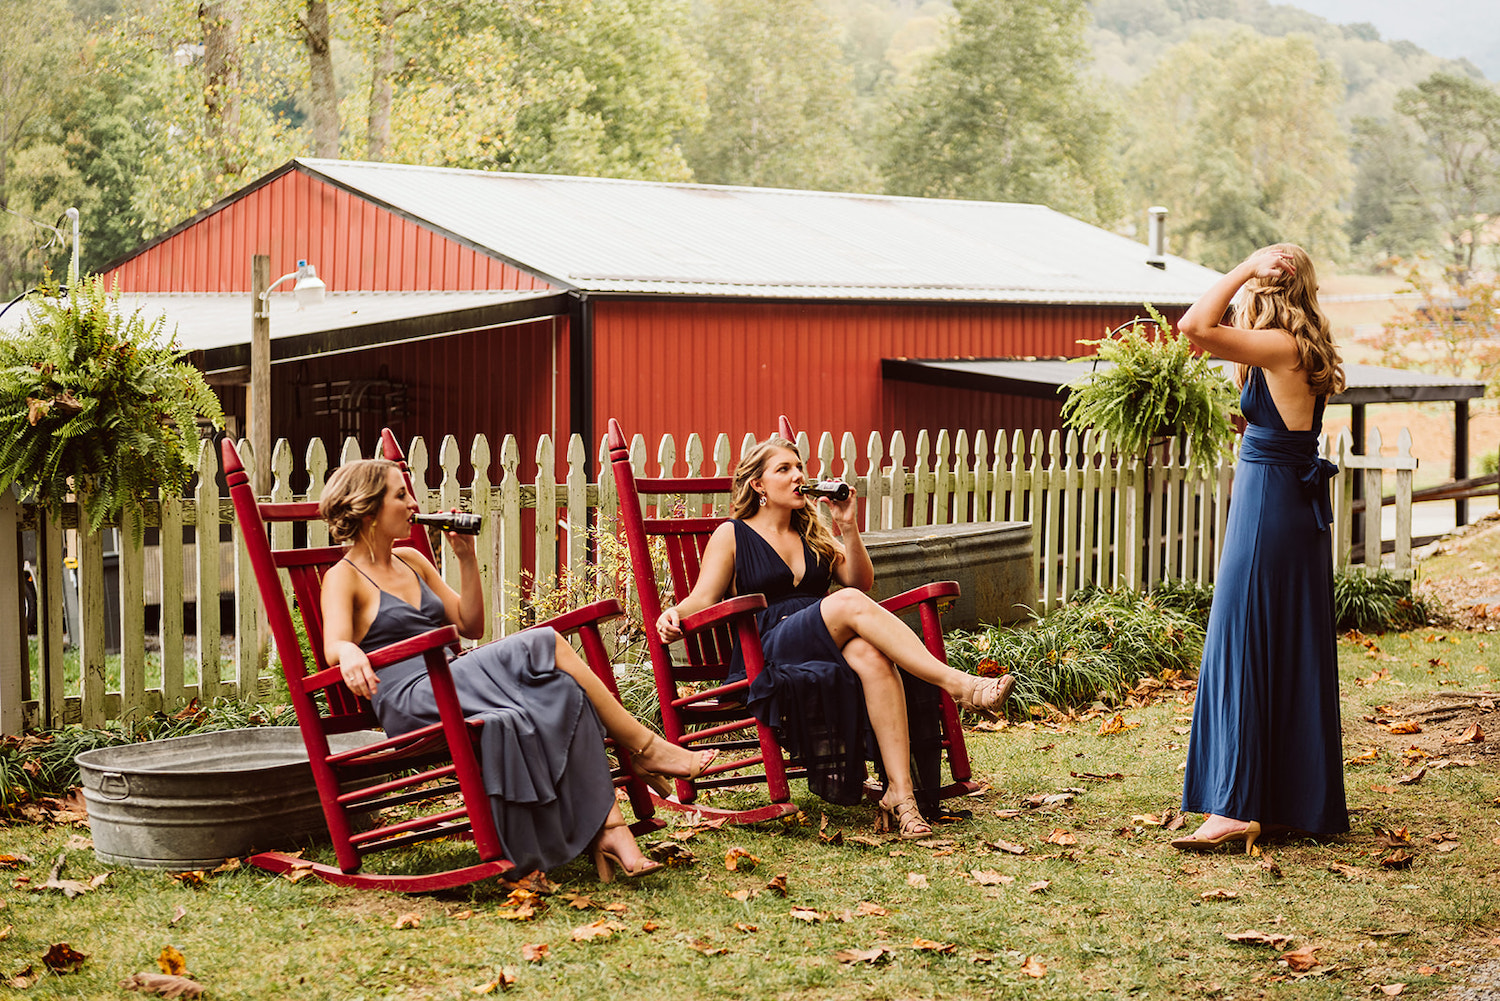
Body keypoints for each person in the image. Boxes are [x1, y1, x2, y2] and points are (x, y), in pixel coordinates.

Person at [318, 459, 715, 881]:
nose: (414, 503)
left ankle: (613, 832)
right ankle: (645, 748)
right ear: (367, 509)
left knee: (563, 689)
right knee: (544, 642)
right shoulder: (344, 577)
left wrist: (465, 557)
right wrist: (349, 652)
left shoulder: (413, 560)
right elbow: (333, 646)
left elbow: (469, 625)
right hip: (414, 698)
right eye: (401, 495)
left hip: (453, 679)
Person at [656, 436, 1014, 839]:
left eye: (799, 468)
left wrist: (847, 525)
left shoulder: (812, 530)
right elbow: (703, 598)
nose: (798, 476)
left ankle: (902, 795)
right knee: (846, 603)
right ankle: (958, 684)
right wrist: (674, 613)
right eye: (784, 469)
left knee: (871, 656)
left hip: (822, 639)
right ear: (758, 485)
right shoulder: (732, 533)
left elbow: (860, 581)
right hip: (769, 647)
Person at [1172, 243, 1349, 852]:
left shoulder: (1281, 348)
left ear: (1269, 289)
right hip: (1278, 500)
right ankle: (1278, 802)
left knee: (1244, 639)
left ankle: (1233, 806)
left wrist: (1244, 264)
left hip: (1271, 503)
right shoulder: (1288, 349)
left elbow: (1193, 326)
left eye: (1253, 286)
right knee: (1277, 642)